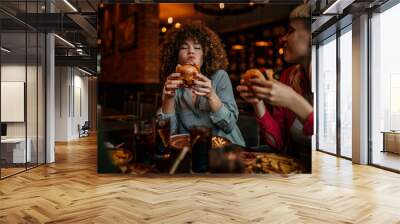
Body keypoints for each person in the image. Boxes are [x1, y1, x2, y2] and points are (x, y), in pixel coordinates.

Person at [237, 4, 313, 158]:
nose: (283, 38)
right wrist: (257, 102)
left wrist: (293, 100)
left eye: (290, 31)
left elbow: (339, 142)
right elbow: (278, 143)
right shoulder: (288, 77)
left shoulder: (341, 78)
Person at [158, 22, 245, 146]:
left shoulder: (220, 76)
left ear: (205, 54)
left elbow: (229, 125)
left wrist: (211, 95)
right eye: (184, 47)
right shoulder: (172, 83)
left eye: (198, 47)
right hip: (193, 149)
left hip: (227, 149)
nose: (191, 52)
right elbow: (167, 133)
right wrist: (168, 98)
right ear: (176, 56)